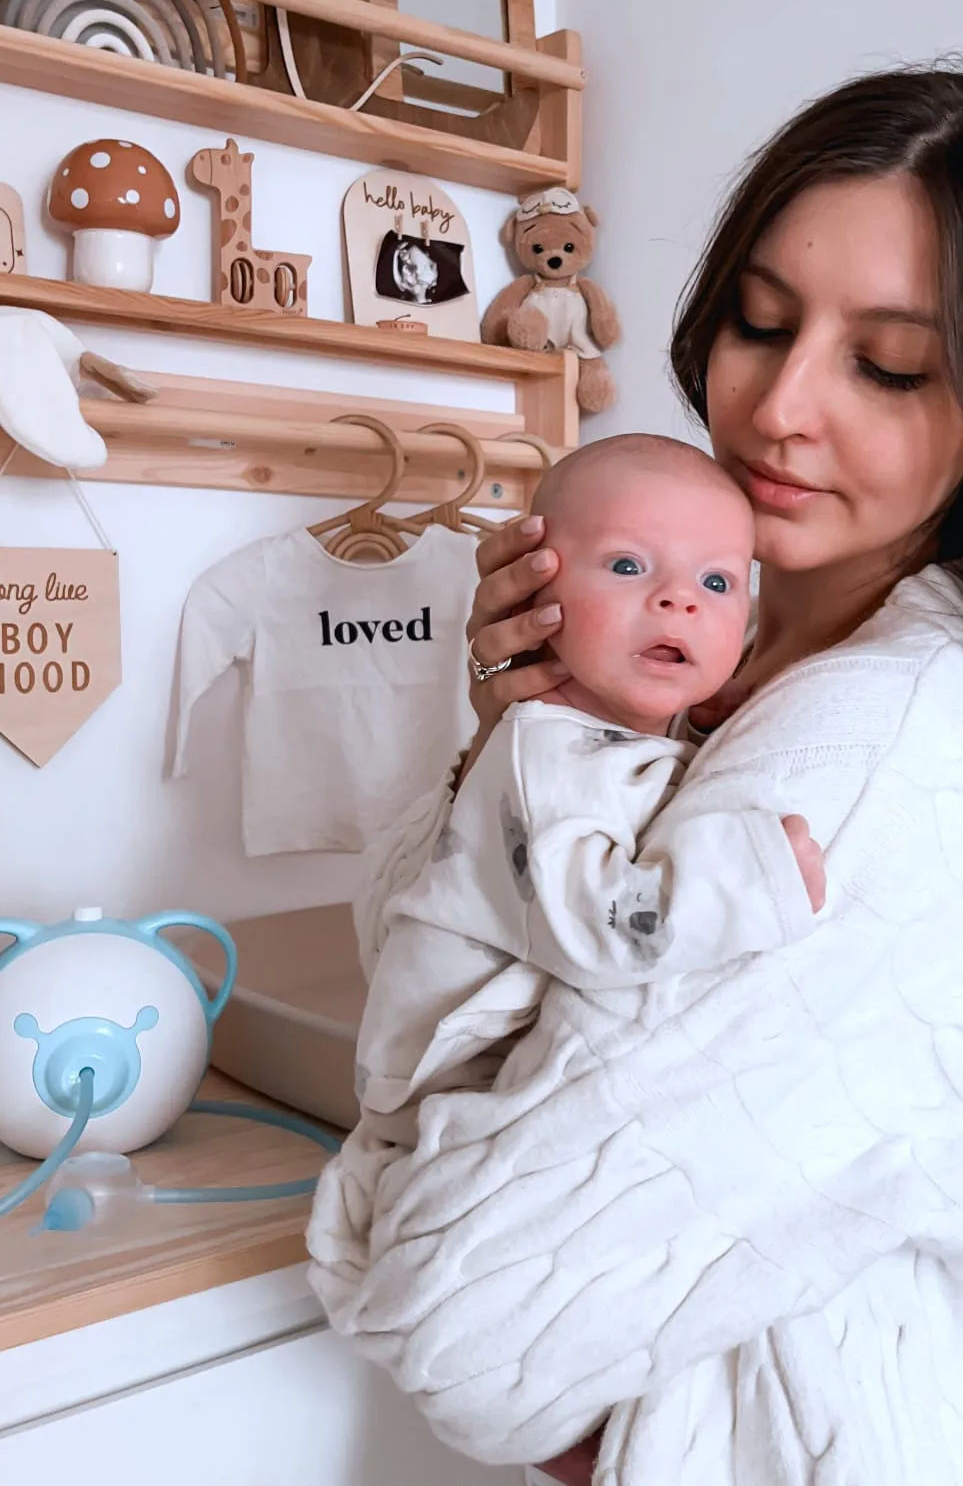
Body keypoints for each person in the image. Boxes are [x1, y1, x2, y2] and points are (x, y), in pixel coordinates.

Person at [312, 63, 963, 1486]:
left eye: (891, 366)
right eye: (759, 323)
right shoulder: (692, 657)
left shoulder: (887, 751)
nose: (779, 406)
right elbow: (415, 991)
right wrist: (524, 739)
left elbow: (462, 1329)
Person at [310, 437, 826, 1286]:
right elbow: (599, 924)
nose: (678, 602)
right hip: (446, 1107)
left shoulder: (615, 741)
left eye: (718, 583)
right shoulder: (544, 754)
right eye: (628, 566)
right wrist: (752, 878)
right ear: (536, 588)